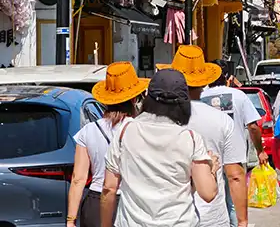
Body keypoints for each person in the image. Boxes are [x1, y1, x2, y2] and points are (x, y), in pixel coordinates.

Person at [100, 68, 219, 227]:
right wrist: (212, 169)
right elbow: (208, 193)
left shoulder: (125, 132)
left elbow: (109, 188)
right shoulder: (190, 138)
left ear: (148, 98)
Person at [164, 45, 249, 227]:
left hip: (168, 215)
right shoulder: (221, 120)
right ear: (204, 82)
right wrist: (242, 221)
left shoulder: (158, 120)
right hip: (212, 216)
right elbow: (235, 175)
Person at [67, 62, 148, 227]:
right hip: (132, 203)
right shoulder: (141, 129)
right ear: (134, 98)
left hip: (96, 203)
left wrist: (70, 219)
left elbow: (78, 179)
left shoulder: (88, 131)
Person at [201, 59, 266, 226]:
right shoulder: (239, 96)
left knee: (211, 202)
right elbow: (253, 126)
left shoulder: (200, 97)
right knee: (233, 204)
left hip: (206, 157)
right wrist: (260, 150)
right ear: (227, 78)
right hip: (234, 156)